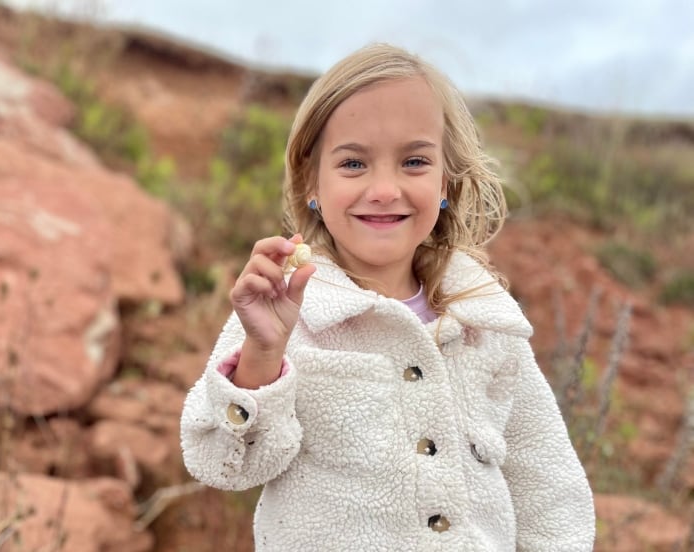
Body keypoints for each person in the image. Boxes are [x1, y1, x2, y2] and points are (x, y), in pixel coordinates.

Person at [180, 43, 595, 551]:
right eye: (353, 164)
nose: (383, 189)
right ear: (312, 181)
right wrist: (263, 354)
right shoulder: (287, 312)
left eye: (414, 161)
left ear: (446, 180)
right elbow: (222, 463)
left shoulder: (486, 322)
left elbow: (549, 487)